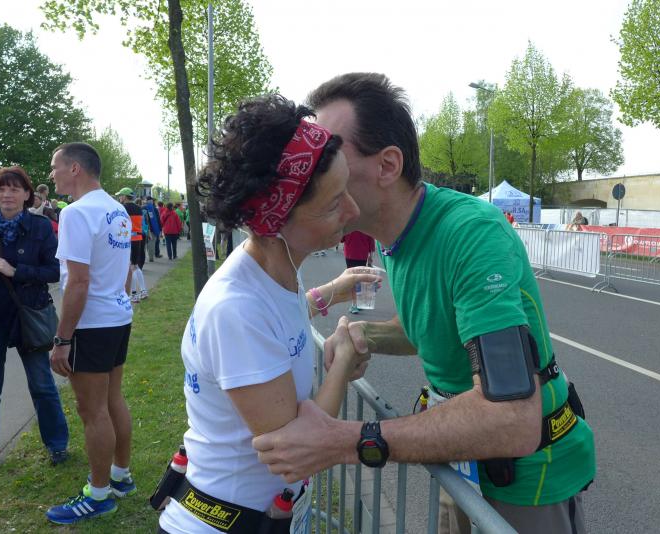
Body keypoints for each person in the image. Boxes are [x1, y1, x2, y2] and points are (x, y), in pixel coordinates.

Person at [252, 73, 595, 534]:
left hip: (525, 480)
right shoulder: (393, 236)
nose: (313, 176)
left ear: (387, 166)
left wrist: (344, 440)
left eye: (329, 157)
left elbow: (511, 418)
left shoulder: (469, 233)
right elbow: (431, 328)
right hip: (462, 463)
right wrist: (365, 335)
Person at [157, 95, 380, 534]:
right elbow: (295, 453)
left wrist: (329, 294)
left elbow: (276, 322)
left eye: (348, 189)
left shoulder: (273, 267)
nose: (353, 211)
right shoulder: (237, 309)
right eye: (334, 203)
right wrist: (342, 362)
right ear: (278, 219)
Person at [45, 143, 135, 524]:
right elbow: (125, 268)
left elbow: (78, 282)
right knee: (112, 399)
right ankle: (120, 476)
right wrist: (119, 302)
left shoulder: (76, 213)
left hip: (91, 324)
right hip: (116, 317)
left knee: (92, 410)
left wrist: (62, 339)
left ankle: (99, 495)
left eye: (55, 167)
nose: (51, 174)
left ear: (75, 169)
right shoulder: (117, 209)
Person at [0, 166, 69, 477]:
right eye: (1, 189)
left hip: (28, 317)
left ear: (27, 195)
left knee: (42, 385)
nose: (7, 194)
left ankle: (57, 445)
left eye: (14, 189)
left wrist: (17, 271)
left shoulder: (40, 227)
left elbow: (54, 271)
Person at [116, 187, 145, 303]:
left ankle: (133, 294)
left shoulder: (122, 208)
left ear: (124, 196)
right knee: (135, 265)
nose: (119, 198)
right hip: (138, 237)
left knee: (129, 267)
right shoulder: (139, 208)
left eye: (120, 195)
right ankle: (143, 290)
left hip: (127, 238)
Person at [342, 231, 375, 313]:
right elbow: (371, 240)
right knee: (359, 279)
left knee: (353, 279)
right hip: (362, 254)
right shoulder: (366, 226)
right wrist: (371, 256)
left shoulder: (348, 225)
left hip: (350, 253)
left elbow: (342, 238)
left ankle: (354, 304)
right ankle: (357, 303)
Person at [143, 196, 162, 261]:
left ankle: (143, 258)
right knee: (151, 243)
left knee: (143, 244)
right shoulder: (154, 209)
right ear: (151, 201)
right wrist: (160, 229)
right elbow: (158, 219)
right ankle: (151, 257)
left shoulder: (142, 208)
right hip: (152, 229)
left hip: (144, 228)